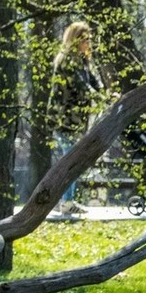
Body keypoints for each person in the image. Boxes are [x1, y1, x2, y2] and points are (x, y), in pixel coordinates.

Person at [46, 20, 105, 211]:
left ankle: (67, 200)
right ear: (76, 40)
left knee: (73, 160)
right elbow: (81, 87)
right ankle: (66, 202)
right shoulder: (68, 61)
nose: (88, 43)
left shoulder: (83, 61)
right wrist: (100, 97)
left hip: (76, 121)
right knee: (71, 162)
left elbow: (94, 83)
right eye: (85, 40)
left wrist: (105, 94)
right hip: (65, 120)